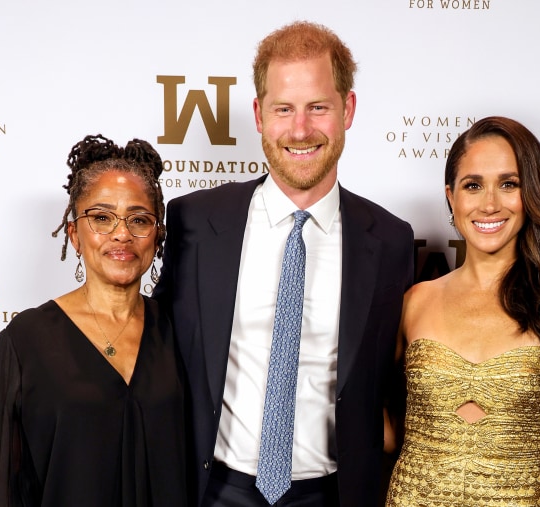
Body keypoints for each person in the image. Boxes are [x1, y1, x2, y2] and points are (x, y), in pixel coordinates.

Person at [154, 20, 414, 507]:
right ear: (257, 114)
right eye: (283, 109)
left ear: (348, 109)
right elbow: (148, 344)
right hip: (213, 491)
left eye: (318, 107)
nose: (300, 129)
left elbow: (407, 374)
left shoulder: (392, 241)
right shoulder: (193, 222)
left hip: (333, 495)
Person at [385, 116, 540, 506]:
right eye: (473, 186)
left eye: (509, 184)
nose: (489, 204)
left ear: (532, 193)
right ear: (452, 196)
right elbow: (382, 429)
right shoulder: (414, 301)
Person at [0, 134, 186, 507]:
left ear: (157, 238)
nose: (121, 234)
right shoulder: (25, 342)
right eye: (101, 218)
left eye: (139, 219)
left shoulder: (181, 332)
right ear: (74, 234)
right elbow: (0, 489)